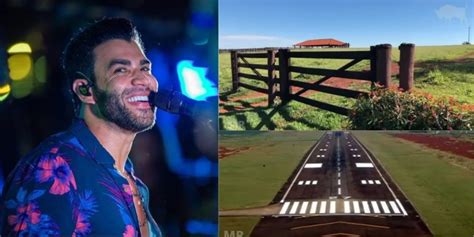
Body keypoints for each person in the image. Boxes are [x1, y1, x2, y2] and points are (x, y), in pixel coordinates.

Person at [0, 18, 161, 237]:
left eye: (144, 68)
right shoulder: (53, 168)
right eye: (121, 70)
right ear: (85, 91)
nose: (142, 80)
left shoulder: (133, 183)